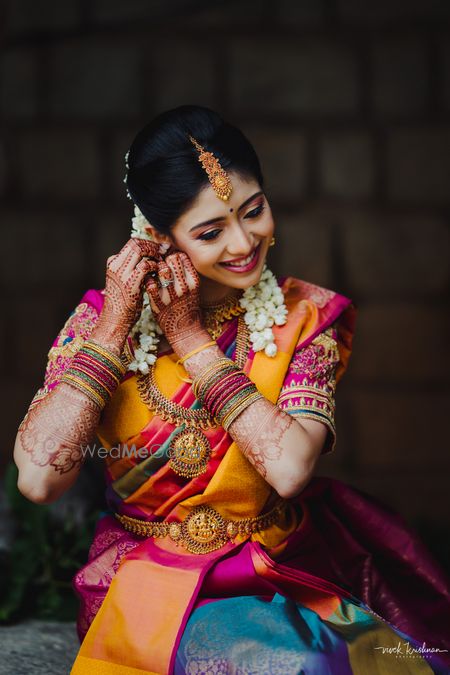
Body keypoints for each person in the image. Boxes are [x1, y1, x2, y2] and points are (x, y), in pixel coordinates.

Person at [14, 105, 450, 674]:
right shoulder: (100, 325)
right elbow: (40, 479)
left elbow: (291, 470)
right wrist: (116, 325)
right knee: (304, 668)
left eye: (254, 210)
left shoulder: (302, 315)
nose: (244, 242)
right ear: (155, 236)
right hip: (150, 581)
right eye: (210, 231)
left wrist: (194, 344)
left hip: (287, 565)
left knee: (399, 663)